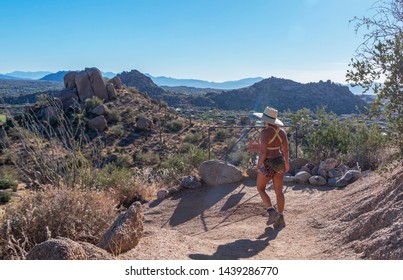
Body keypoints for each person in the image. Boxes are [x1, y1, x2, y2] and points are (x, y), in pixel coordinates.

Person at [253, 107, 289, 226]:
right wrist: (287, 163)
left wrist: (258, 165)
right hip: (279, 162)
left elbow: (263, 152)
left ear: (266, 120)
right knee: (279, 191)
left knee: (260, 188)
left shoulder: (265, 133)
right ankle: (281, 216)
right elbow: (285, 150)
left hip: (267, 163)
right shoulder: (282, 132)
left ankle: (271, 211)